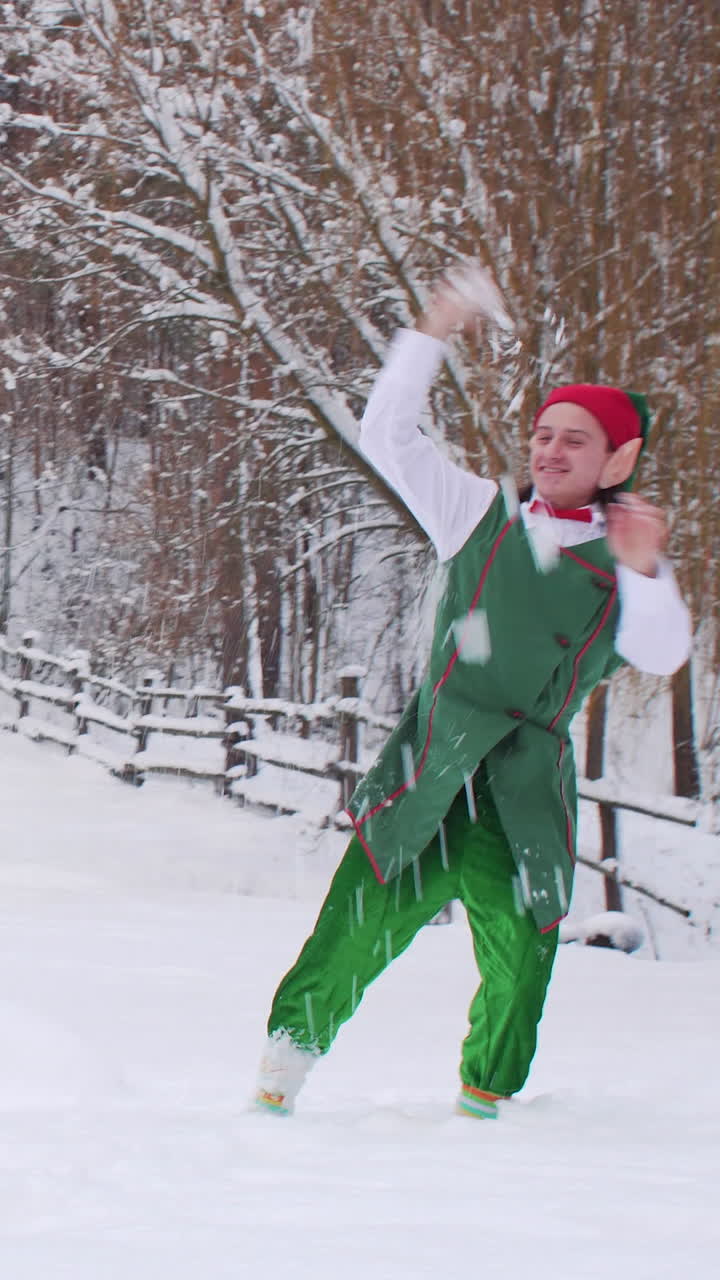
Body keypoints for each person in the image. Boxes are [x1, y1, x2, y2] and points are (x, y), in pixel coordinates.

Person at [254, 266, 692, 1119]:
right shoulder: (478, 513)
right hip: (432, 768)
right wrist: (435, 327)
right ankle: (276, 1088)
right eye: (543, 434)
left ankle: (486, 1109)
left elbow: (662, 652)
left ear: (618, 459)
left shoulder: (631, 561)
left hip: (525, 791)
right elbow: (388, 434)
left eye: (574, 441)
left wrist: (644, 568)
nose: (550, 451)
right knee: (352, 932)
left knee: (523, 958)